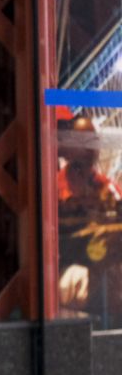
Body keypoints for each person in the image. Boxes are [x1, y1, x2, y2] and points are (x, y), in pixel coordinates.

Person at [57, 113, 122, 327]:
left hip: (104, 269)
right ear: (67, 147)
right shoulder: (54, 188)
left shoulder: (106, 187)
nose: (92, 149)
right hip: (68, 271)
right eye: (84, 142)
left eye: (94, 142)